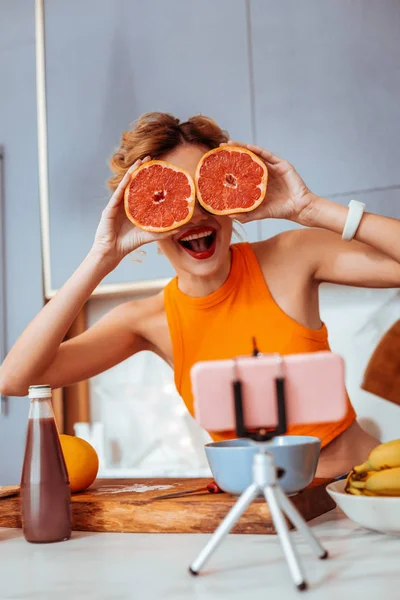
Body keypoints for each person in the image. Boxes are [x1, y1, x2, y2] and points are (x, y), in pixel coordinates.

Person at [1, 112, 397, 478]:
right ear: (144, 215)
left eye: (203, 192)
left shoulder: (292, 256)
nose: (193, 214)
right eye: (169, 197)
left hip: (361, 496)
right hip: (254, 518)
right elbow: (16, 379)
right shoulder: (146, 321)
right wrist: (101, 256)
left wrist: (311, 209)